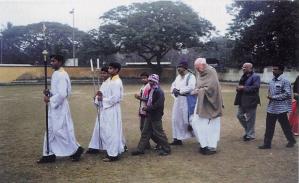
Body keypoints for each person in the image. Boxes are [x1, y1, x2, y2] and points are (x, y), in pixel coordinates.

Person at [37, 55, 84, 163]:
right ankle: (48, 154)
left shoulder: (62, 75)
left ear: (60, 62)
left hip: (60, 107)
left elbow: (63, 94)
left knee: (58, 131)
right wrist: (49, 93)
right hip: (54, 106)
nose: (51, 63)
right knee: (50, 130)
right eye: (51, 61)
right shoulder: (56, 73)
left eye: (54, 61)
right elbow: (57, 92)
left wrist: (50, 100)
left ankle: (76, 149)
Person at [131, 74, 171, 156]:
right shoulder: (151, 90)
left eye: (152, 80)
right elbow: (149, 100)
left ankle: (166, 149)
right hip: (149, 115)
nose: (150, 82)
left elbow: (158, 105)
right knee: (145, 132)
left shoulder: (159, 91)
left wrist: (147, 108)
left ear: (156, 81)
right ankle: (140, 149)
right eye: (149, 80)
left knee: (159, 133)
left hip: (156, 115)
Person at [259, 64, 296, 149]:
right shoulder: (272, 81)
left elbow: (287, 94)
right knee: (269, 127)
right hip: (271, 108)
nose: (273, 71)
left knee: (285, 126)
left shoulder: (285, 81)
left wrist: (274, 97)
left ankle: (291, 140)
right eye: (273, 69)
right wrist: (270, 96)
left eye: (275, 69)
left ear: (281, 71)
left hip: (281, 109)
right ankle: (267, 144)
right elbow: (270, 92)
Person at [191, 58, 223, 155]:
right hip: (201, 101)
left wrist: (198, 91)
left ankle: (211, 146)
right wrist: (197, 89)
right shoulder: (199, 73)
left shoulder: (211, 72)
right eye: (196, 68)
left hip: (211, 101)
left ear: (204, 65)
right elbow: (198, 85)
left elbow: (212, 88)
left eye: (198, 68)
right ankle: (204, 144)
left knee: (212, 125)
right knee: (195, 122)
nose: (197, 70)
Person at [97, 62, 126, 161]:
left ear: (117, 70)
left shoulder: (116, 82)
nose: (109, 70)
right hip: (107, 108)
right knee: (108, 131)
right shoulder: (110, 80)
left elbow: (115, 98)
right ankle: (112, 151)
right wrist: (99, 96)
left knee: (111, 131)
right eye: (109, 68)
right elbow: (105, 93)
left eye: (111, 69)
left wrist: (102, 100)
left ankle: (113, 154)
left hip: (112, 109)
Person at [170, 61, 196, 145]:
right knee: (175, 119)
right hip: (178, 100)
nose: (178, 69)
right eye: (178, 67)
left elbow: (191, 87)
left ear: (185, 68)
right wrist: (174, 90)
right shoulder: (178, 77)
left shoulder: (191, 77)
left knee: (188, 120)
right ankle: (177, 139)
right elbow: (173, 85)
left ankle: (201, 137)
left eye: (180, 67)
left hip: (186, 100)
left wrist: (179, 91)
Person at [86, 66, 110, 154]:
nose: (103, 75)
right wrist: (96, 97)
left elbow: (107, 97)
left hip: (107, 108)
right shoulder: (104, 83)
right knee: (98, 127)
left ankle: (118, 145)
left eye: (105, 73)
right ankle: (95, 146)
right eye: (102, 73)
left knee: (107, 128)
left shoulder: (110, 83)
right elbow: (100, 94)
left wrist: (99, 98)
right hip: (102, 108)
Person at [234, 63, 260, 141]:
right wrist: (238, 88)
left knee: (250, 119)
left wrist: (243, 88)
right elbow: (241, 86)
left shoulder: (256, 77)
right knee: (239, 115)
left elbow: (255, 87)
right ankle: (249, 131)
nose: (243, 69)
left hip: (251, 100)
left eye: (245, 67)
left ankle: (250, 135)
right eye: (243, 67)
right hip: (241, 100)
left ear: (250, 68)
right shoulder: (244, 76)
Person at [134, 72, 158, 149]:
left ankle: (159, 142)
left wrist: (139, 98)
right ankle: (147, 144)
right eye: (142, 78)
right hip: (142, 109)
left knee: (146, 129)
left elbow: (149, 99)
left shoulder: (149, 87)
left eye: (145, 78)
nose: (143, 79)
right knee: (143, 128)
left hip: (147, 110)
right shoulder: (143, 87)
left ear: (148, 78)